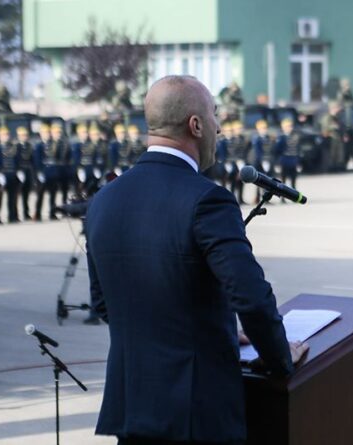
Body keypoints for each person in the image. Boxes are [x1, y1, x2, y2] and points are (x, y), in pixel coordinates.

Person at [85, 75, 308, 445]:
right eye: (215, 116)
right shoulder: (208, 200)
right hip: (196, 415)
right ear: (196, 124)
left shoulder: (104, 200)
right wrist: (281, 357)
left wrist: (212, 328)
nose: (219, 128)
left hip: (133, 409)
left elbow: (104, 304)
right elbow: (250, 297)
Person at [0, 127, 20, 223]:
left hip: (12, 174)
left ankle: (12, 216)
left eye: (7, 134)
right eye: (3, 135)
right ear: (0, 136)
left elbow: (16, 161)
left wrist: (18, 171)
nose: (6, 137)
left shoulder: (13, 147)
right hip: (2, 175)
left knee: (13, 198)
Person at [274, 118, 302, 197]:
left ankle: (294, 195)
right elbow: (277, 151)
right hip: (284, 160)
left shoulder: (295, 136)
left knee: (293, 178)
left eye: (290, 126)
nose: (288, 128)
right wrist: (277, 163)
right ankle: (283, 196)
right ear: (283, 127)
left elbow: (298, 150)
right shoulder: (281, 138)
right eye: (286, 126)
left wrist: (299, 162)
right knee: (283, 180)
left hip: (293, 159)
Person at [15, 127, 35, 221]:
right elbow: (15, 160)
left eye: (25, 135)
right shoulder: (16, 147)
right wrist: (18, 171)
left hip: (28, 171)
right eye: (22, 135)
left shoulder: (29, 146)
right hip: (20, 171)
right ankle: (15, 214)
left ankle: (26, 213)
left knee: (26, 194)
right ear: (18, 136)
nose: (24, 137)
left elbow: (32, 160)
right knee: (17, 195)